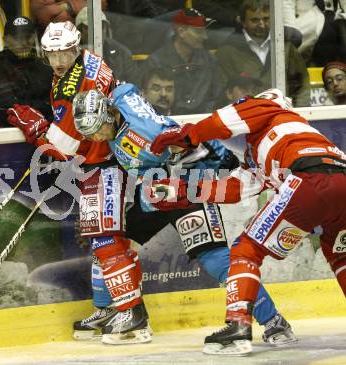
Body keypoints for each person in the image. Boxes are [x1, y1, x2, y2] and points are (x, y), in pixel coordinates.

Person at [71, 84, 297, 346]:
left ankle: (273, 322)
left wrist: (221, 168)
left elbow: (193, 145)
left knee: (216, 260)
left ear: (110, 115)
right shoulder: (119, 99)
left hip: (187, 189)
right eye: (90, 133)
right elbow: (125, 88)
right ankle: (116, 309)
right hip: (155, 194)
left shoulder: (144, 135)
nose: (97, 137)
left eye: (99, 129)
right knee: (108, 241)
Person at [149, 88, 346, 355]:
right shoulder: (272, 145)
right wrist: (180, 192)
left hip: (309, 180)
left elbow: (224, 121)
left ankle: (238, 326)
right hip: (340, 182)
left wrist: (188, 135)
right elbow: (234, 189)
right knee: (340, 255)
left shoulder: (270, 110)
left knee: (246, 249)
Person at [6, 21, 153, 345]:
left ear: (76, 47)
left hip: (105, 164)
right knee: (106, 243)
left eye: (65, 52)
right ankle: (108, 309)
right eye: (53, 54)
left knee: (107, 242)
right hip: (100, 161)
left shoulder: (76, 84)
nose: (59, 60)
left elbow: (64, 148)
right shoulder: (88, 61)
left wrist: (35, 129)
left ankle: (133, 314)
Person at [214, 0, 311, 107]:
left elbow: (302, 85)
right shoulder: (227, 52)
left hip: (283, 114)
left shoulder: (285, 46)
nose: (262, 25)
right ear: (242, 22)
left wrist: (298, 111)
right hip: (246, 116)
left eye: (266, 19)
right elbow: (223, 91)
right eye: (255, 20)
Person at [144, 8, 223, 114]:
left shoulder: (209, 60)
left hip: (203, 120)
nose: (205, 37)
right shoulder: (156, 61)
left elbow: (217, 97)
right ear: (181, 31)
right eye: (198, 31)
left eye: (205, 31)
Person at [0, 16, 54, 127]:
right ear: (5, 40)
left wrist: (25, 105)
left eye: (28, 37)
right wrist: (41, 106)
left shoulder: (44, 66)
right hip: (7, 135)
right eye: (18, 38)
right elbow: (6, 109)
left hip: (45, 129)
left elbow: (54, 104)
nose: (24, 42)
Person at [75, 6, 139, 83]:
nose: (98, 31)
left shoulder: (121, 53)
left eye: (102, 26)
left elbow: (134, 84)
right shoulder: (68, 53)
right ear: (79, 30)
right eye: (92, 27)